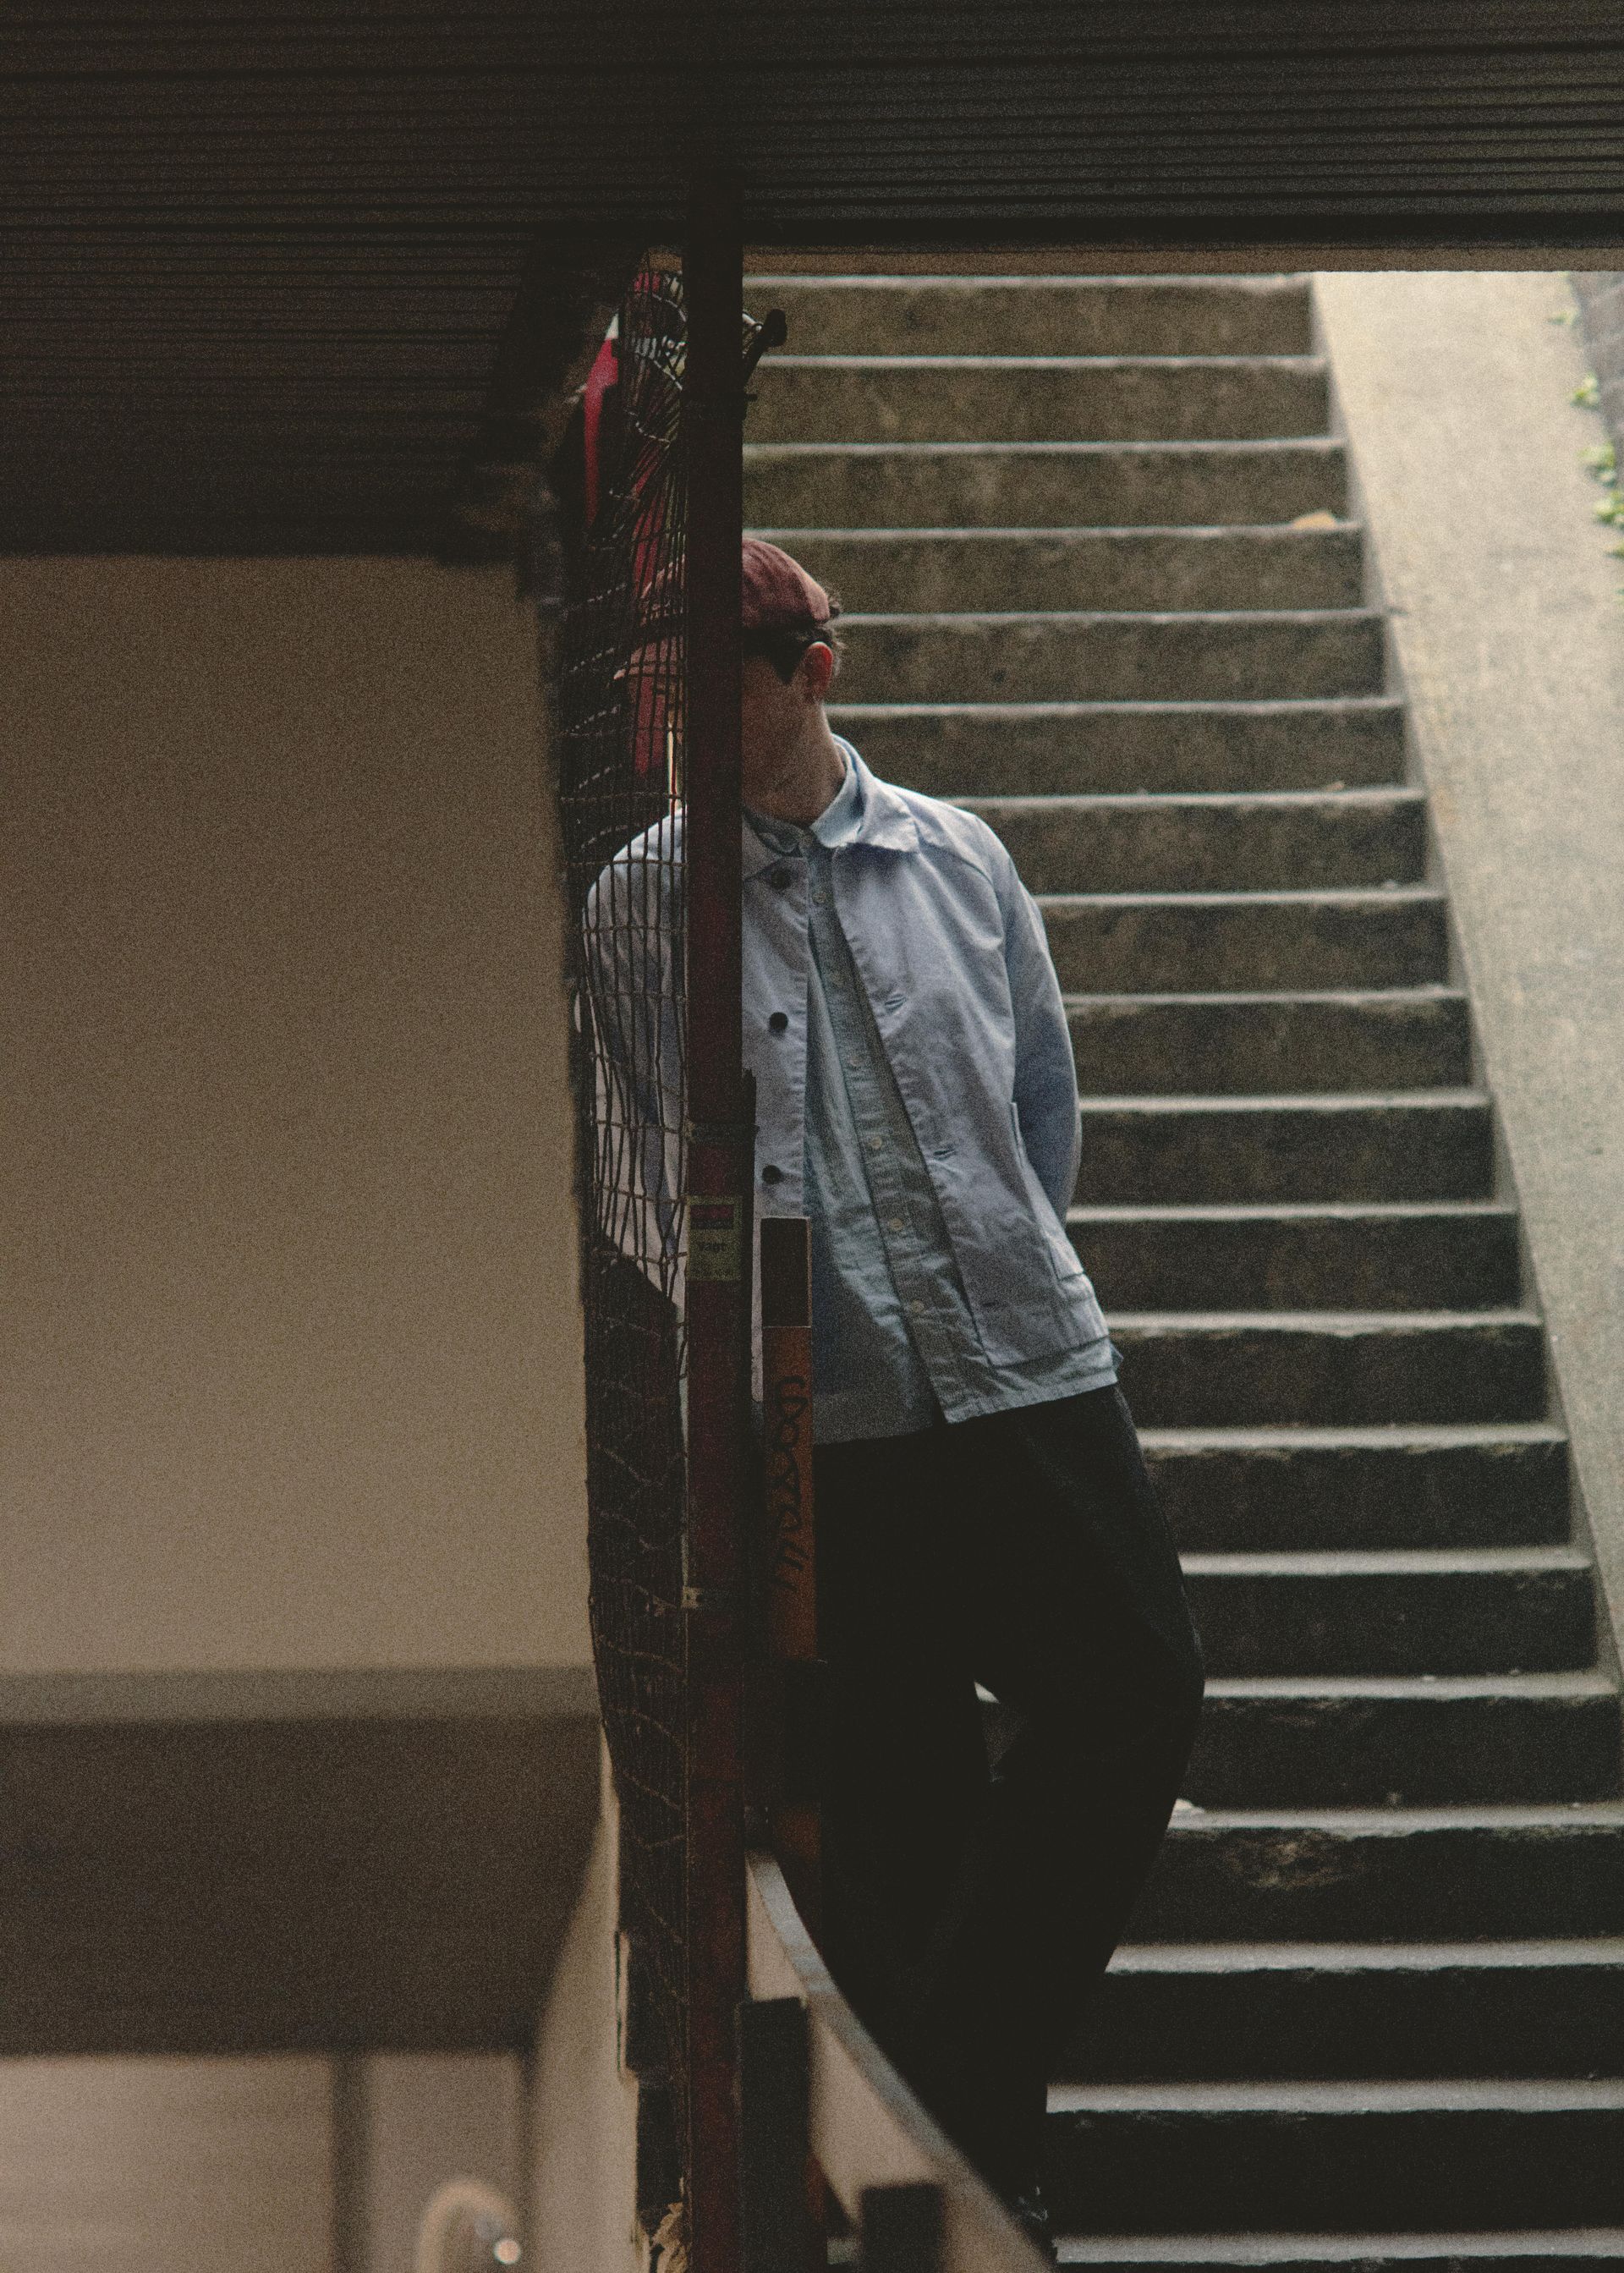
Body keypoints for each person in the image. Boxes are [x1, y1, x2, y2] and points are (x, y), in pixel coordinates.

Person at [593, 539, 1205, 2258]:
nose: (682, 735)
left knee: (1139, 1692)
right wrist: (751, 1335)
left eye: (714, 696)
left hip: (1023, 1369)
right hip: (825, 1419)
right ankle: (978, 2178)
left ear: (812, 674)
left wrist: (999, 1276)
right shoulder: (642, 904)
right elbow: (637, 1172)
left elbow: (1037, 1106)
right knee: (909, 1797)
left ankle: (946, 2093)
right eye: (661, 702)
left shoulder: (959, 857)